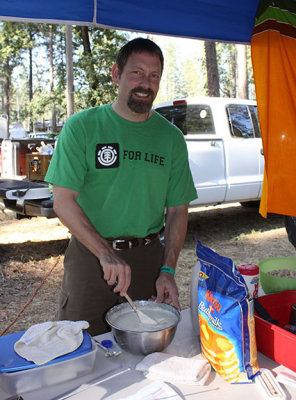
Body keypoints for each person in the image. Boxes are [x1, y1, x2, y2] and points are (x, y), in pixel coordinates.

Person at [45, 37, 197, 335]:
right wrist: (105, 252)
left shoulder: (171, 138)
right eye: (136, 73)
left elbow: (178, 210)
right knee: (80, 345)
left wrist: (167, 271)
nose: (146, 83)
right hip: (92, 258)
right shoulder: (83, 127)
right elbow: (63, 201)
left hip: (148, 261)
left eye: (154, 75)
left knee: (145, 355)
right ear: (116, 74)